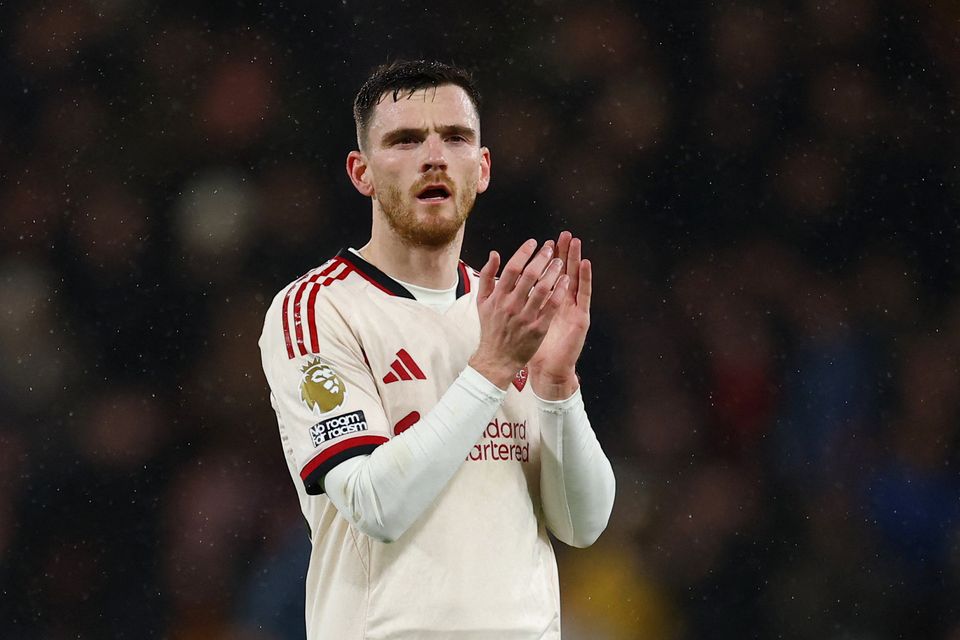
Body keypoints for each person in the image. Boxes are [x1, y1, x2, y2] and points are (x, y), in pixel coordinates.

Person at [258, 59, 616, 639]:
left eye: (455, 137)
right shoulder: (318, 309)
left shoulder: (508, 313)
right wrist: (492, 367)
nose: (434, 156)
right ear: (361, 172)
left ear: (483, 166)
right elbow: (375, 504)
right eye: (405, 140)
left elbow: (583, 523)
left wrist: (557, 386)